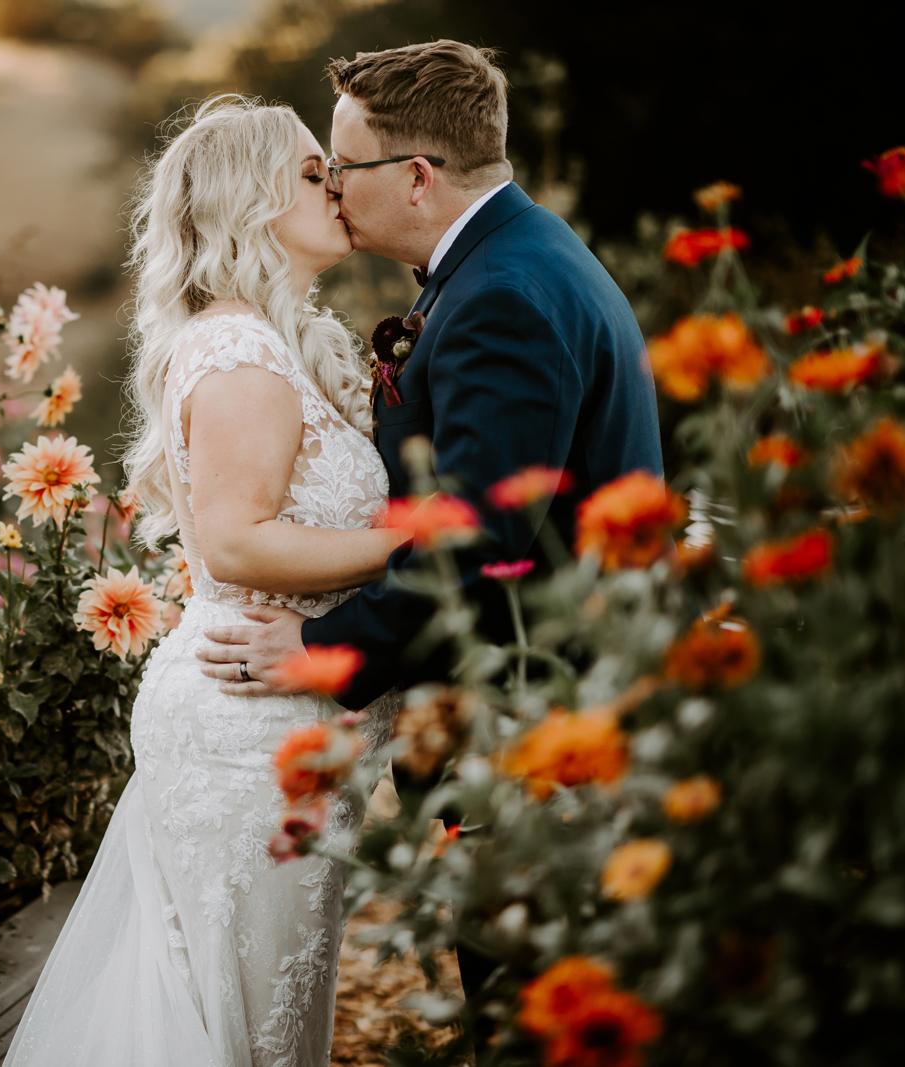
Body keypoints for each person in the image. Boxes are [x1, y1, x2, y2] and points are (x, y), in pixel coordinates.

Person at [195, 40, 665, 1001]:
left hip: (532, 725)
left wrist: (324, 646)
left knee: (536, 1005)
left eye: (343, 167)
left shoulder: (503, 299)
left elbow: (480, 537)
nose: (332, 190)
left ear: (415, 177)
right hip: (548, 707)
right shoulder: (516, 259)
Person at [3, 97, 402, 1067]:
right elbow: (237, 542)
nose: (337, 185)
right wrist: (419, 541)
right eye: (314, 172)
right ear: (252, 198)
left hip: (282, 722)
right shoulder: (238, 350)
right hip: (247, 727)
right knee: (232, 1023)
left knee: (253, 1014)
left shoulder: (277, 336)